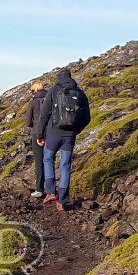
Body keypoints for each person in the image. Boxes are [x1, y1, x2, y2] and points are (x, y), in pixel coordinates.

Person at [35, 68, 92, 211]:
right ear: (70, 77)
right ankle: (63, 201)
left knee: (48, 159)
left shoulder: (54, 91)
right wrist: (76, 131)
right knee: (65, 166)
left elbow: (44, 114)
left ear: (58, 77)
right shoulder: (79, 93)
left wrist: (40, 134)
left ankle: (50, 192)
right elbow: (87, 118)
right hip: (70, 136)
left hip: (53, 134)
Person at [26, 80, 48, 199]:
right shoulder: (50, 99)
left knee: (39, 162)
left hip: (37, 134)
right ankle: (51, 189)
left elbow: (28, 122)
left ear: (34, 90)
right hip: (51, 133)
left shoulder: (33, 102)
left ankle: (39, 189)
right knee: (49, 160)